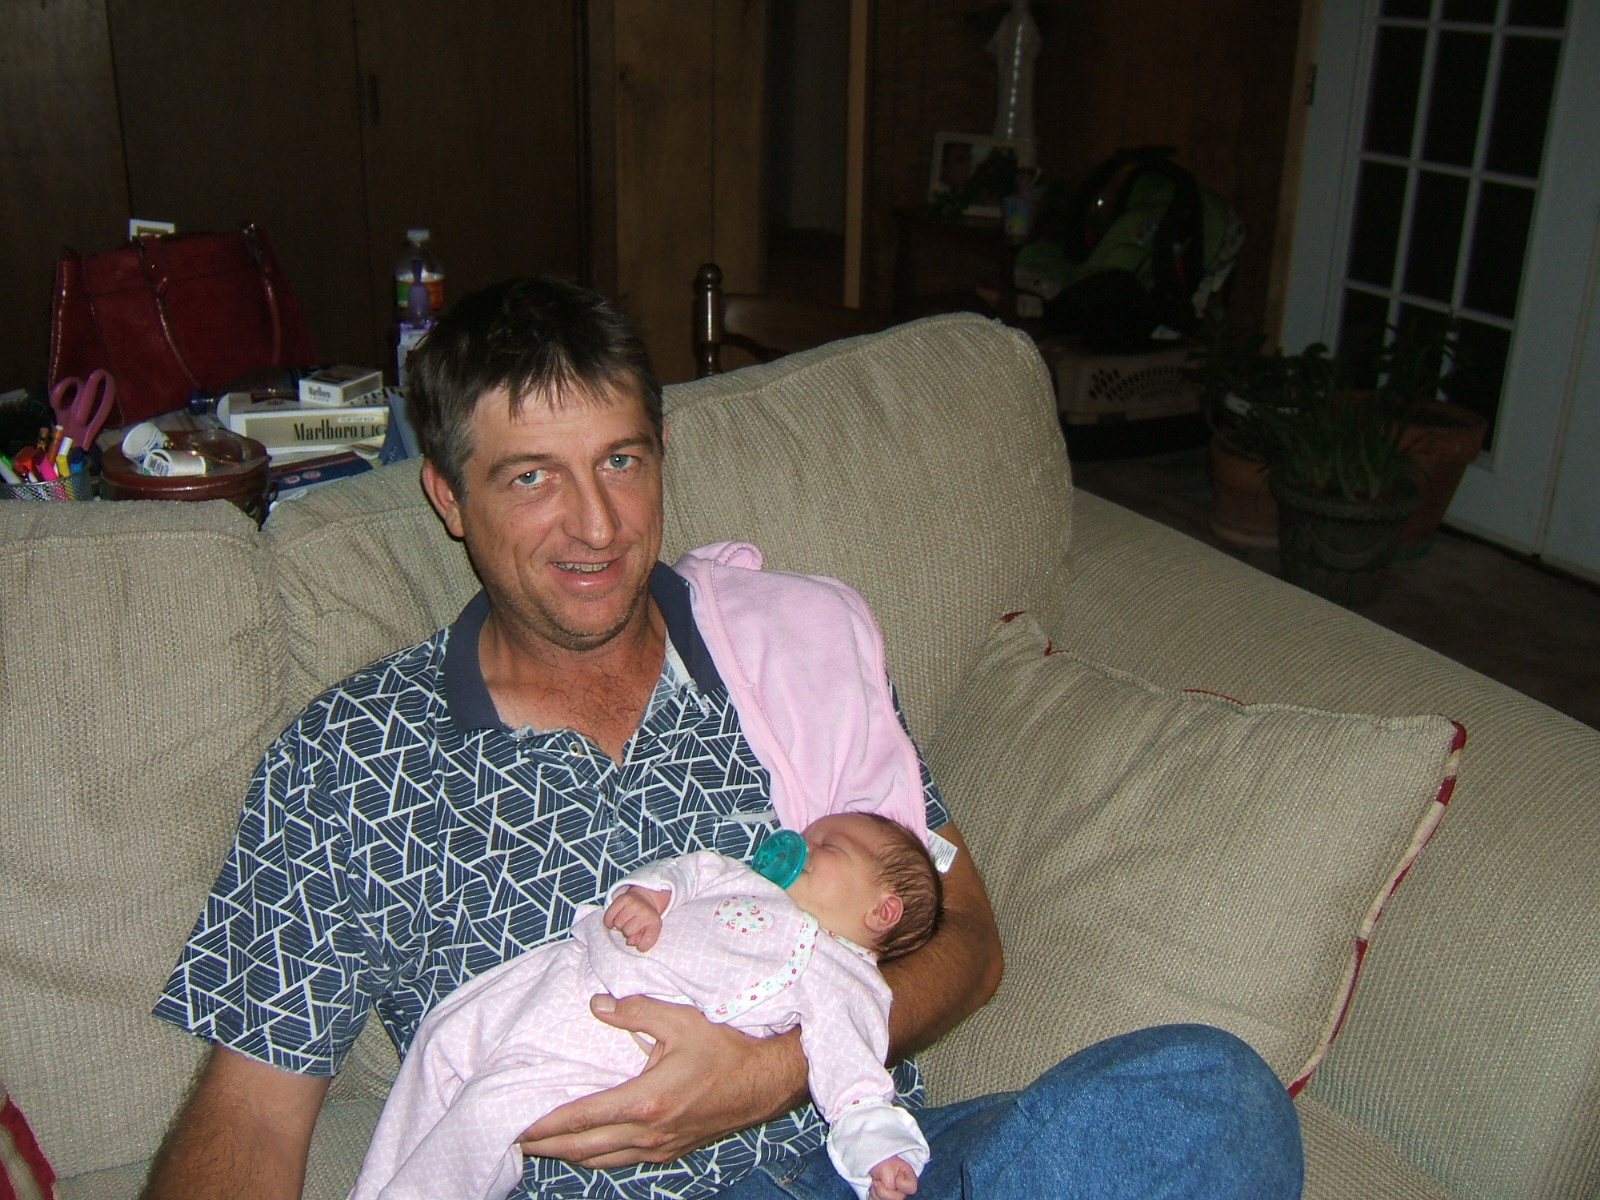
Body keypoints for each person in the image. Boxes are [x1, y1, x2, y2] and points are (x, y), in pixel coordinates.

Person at [144, 275, 1302, 1200]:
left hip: (860, 1166)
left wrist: (769, 1075)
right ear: (449, 497)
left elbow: (970, 940)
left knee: (1212, 1095)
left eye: (621, 460)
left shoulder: (780, 653)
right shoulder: (351, 760)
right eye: (533, 478)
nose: (596, 524)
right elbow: (252, 1116)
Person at [350, 813, 942, 1200]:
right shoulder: (739, 878)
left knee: (490, 1108)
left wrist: (876, 1149)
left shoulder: (843, 977)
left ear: (882, 910)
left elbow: (851, 1070)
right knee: (440, 1038)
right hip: (569, 967)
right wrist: (647, 897)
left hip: (620, 1041)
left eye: (827, 845)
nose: (797, 843)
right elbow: (689, 872)